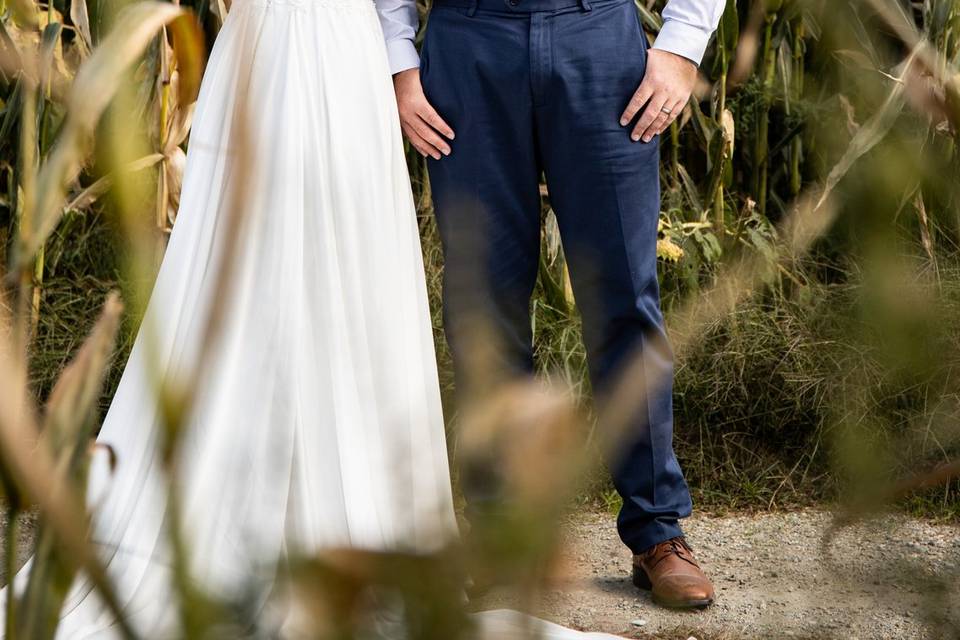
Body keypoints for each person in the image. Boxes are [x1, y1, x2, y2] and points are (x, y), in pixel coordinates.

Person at [0, 0, 623, 636]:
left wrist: (402, 62)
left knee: (349, 267)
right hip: (266, 56)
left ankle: (349, 525)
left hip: (346, 58)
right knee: (247, 265)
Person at [381, 0, 725, 608]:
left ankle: (657, 533)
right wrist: (399, 64)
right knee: (483, 309)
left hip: (597, 41)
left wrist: (681, 44)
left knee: (624, 298)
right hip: (469, 45)